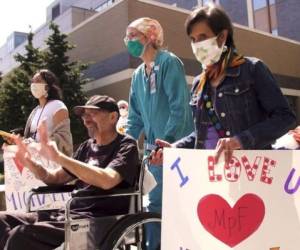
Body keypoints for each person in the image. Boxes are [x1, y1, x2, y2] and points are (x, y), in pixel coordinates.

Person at [151, 4, 296, 165]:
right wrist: (175, 148)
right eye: (193, 39)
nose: (197, 44)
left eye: (203, 37)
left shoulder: (252, 69)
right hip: (211, 176)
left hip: (251, 173)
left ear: (222, 37)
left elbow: (285, 117)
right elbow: (202, 134)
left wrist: (240, 141)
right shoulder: (200, 83)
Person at [0, 95, 140, 250]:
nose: (86, 120)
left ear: (113, 117)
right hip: (69, 214)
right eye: (84, 115)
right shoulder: (86, 147)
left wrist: (59, 157)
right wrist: (30, 163)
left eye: (92, 114)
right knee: (2, 220)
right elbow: (55, 178)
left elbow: (108, 179)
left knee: (20, 236)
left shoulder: (126, 145)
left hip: (97, 220)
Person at [124, 17, 194, 249]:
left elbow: (179, 108)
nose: (128, 40)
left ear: (150, 36)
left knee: (177, 205)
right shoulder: (137, 75)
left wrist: (168, 143)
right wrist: (123, 146)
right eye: (127, 36)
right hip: (153, 155)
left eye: (133, 35)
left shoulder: (168, 63)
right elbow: (134, 119)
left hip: (175, 151)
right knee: (154, 207)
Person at [24, 69, 73, 156]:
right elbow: (31, 136)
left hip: (53, 163)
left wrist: (36, 146)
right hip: (36, 160)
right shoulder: (35, 111)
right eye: (32, 82)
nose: (34, 84)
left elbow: (63, 139)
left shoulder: (57, 106)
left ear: (48, 86)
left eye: (38, 81)